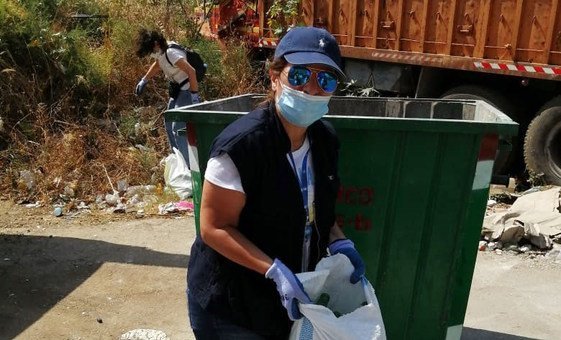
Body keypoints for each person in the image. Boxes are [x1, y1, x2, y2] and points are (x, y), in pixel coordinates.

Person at [187, 26, 366, 339]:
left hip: (282, 305)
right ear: (275, 77)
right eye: (299, 76)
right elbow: (213, 228)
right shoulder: (242, 146)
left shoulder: (325, 141)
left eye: (325, 80)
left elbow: (314, 207)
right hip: (232, 307)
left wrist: (338, 240)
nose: (311, 89)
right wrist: (273, 270)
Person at [134, 28, 200, 166]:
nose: (151, 54)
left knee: (178, 127)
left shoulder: (171, 53)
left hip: (187, 90)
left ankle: (187, 166)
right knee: (169, 122)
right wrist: (144, 80)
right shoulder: (162, 53)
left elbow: (191, 71)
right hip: (178, 90)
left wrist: (194, 96)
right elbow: (158, 64)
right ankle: (177, 157)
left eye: (151, 51)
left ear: (156, 43)